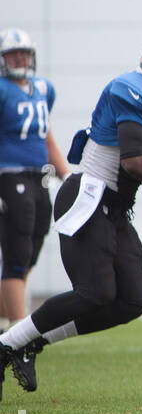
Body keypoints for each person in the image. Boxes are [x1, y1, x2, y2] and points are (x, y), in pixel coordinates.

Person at [0, 34, 142, 396]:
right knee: (94, 293)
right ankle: (8, 343)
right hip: (88, 199)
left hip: (114, 208)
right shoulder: (130, 91)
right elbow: (134, 161)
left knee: (133, 298)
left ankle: (31, 342)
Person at [0, 28, 69, 330]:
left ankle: (6, 320)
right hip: (10, 175)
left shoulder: (43, 88)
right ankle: (17, 327)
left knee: (33, 245)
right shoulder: (2, 90)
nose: (20, 59)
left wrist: (67, 175)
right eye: (13, 54)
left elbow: (46, 135)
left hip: (40, 176)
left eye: (24, 53)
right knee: (16, 249)